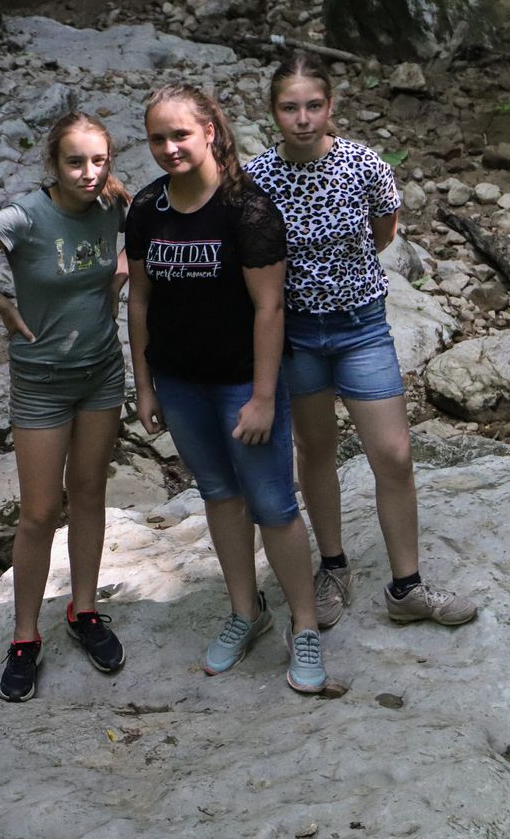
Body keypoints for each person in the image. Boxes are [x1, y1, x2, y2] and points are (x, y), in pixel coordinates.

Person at [245, 53, 479, 630]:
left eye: (314, 106)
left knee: (394, 454)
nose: (303, 118)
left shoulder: (363, 165)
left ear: (331, 106)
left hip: (361, 328)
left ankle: (407, 587)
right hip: (296, 335)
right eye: (290, 108)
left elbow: (383, 231)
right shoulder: (256, 179)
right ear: (273, 111)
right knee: (315, 449)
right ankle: (333, 566)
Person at [125, 83, 326, 694]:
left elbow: (270, 308)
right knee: (217, 492)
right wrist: (145, 386)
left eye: (181, 134)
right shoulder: (147, 207)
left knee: (273, 504)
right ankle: (246, 612)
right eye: (158, 138)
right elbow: (139, 300)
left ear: (209, 132)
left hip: (242, 383)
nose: (170, 148)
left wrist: (263, 397)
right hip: (180, 383)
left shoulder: (248, 208)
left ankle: (306, 625)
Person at [0, 112, 131, 703]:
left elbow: (141, 241)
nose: (89, 173)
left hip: (101, 373)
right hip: (41, 382)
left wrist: (117, 274)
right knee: (40, 511)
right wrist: (2, 306)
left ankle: (84, 611)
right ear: (54, 163)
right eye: (75, 162)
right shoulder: (25, 216)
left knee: (89, 493)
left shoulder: (112, 202)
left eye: (98, 161)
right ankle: (24, 637)